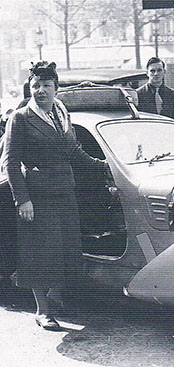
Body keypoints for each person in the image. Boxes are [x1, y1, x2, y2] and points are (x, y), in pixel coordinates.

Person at [3, 61, 108, 330]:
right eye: (35, 85)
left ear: (56, 89)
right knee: (39, 254)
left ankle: (55, 297)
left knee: (64, 249)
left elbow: (74, 153)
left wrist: (106, 167)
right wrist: (22, 200)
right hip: (37, 197)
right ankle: (42, 311)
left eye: (46, 86)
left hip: (64, 192)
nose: (40, 91)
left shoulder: (62, 115)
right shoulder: (21, 118)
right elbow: (11, 163)